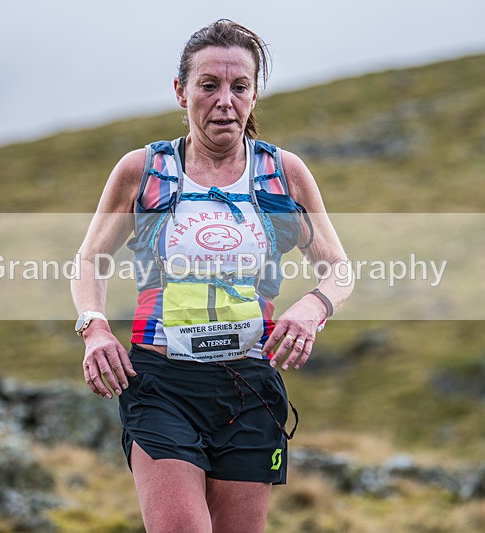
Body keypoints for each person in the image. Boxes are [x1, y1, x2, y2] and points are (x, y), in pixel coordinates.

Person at [71, 19, 352, 533]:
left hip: (249, 388)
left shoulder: (283, 174)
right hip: (161, 385)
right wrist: (94, 328)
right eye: (209, 85)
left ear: (254, 93)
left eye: (239, 86)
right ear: (181, 92)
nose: (225, 100)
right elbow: (90, 258)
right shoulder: (144, 171)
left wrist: (314, 307)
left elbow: (338, 269)